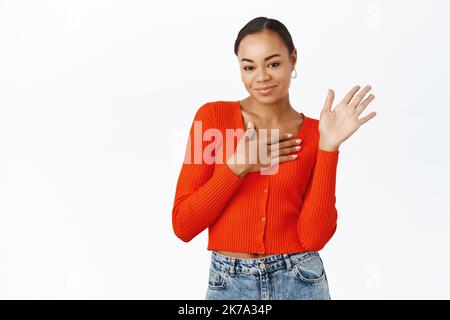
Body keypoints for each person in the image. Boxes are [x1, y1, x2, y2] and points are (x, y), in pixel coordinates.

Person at [171, 16, 376, 300]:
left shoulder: (318, 133)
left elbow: (314, 238)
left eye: (274, 63)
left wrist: (329, 146)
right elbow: (183, 224)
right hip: (229, 284)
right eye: (249, 67)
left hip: (301, 280)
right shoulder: (211, 119)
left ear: (293, 59)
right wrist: (237, 167)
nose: (262, 77)